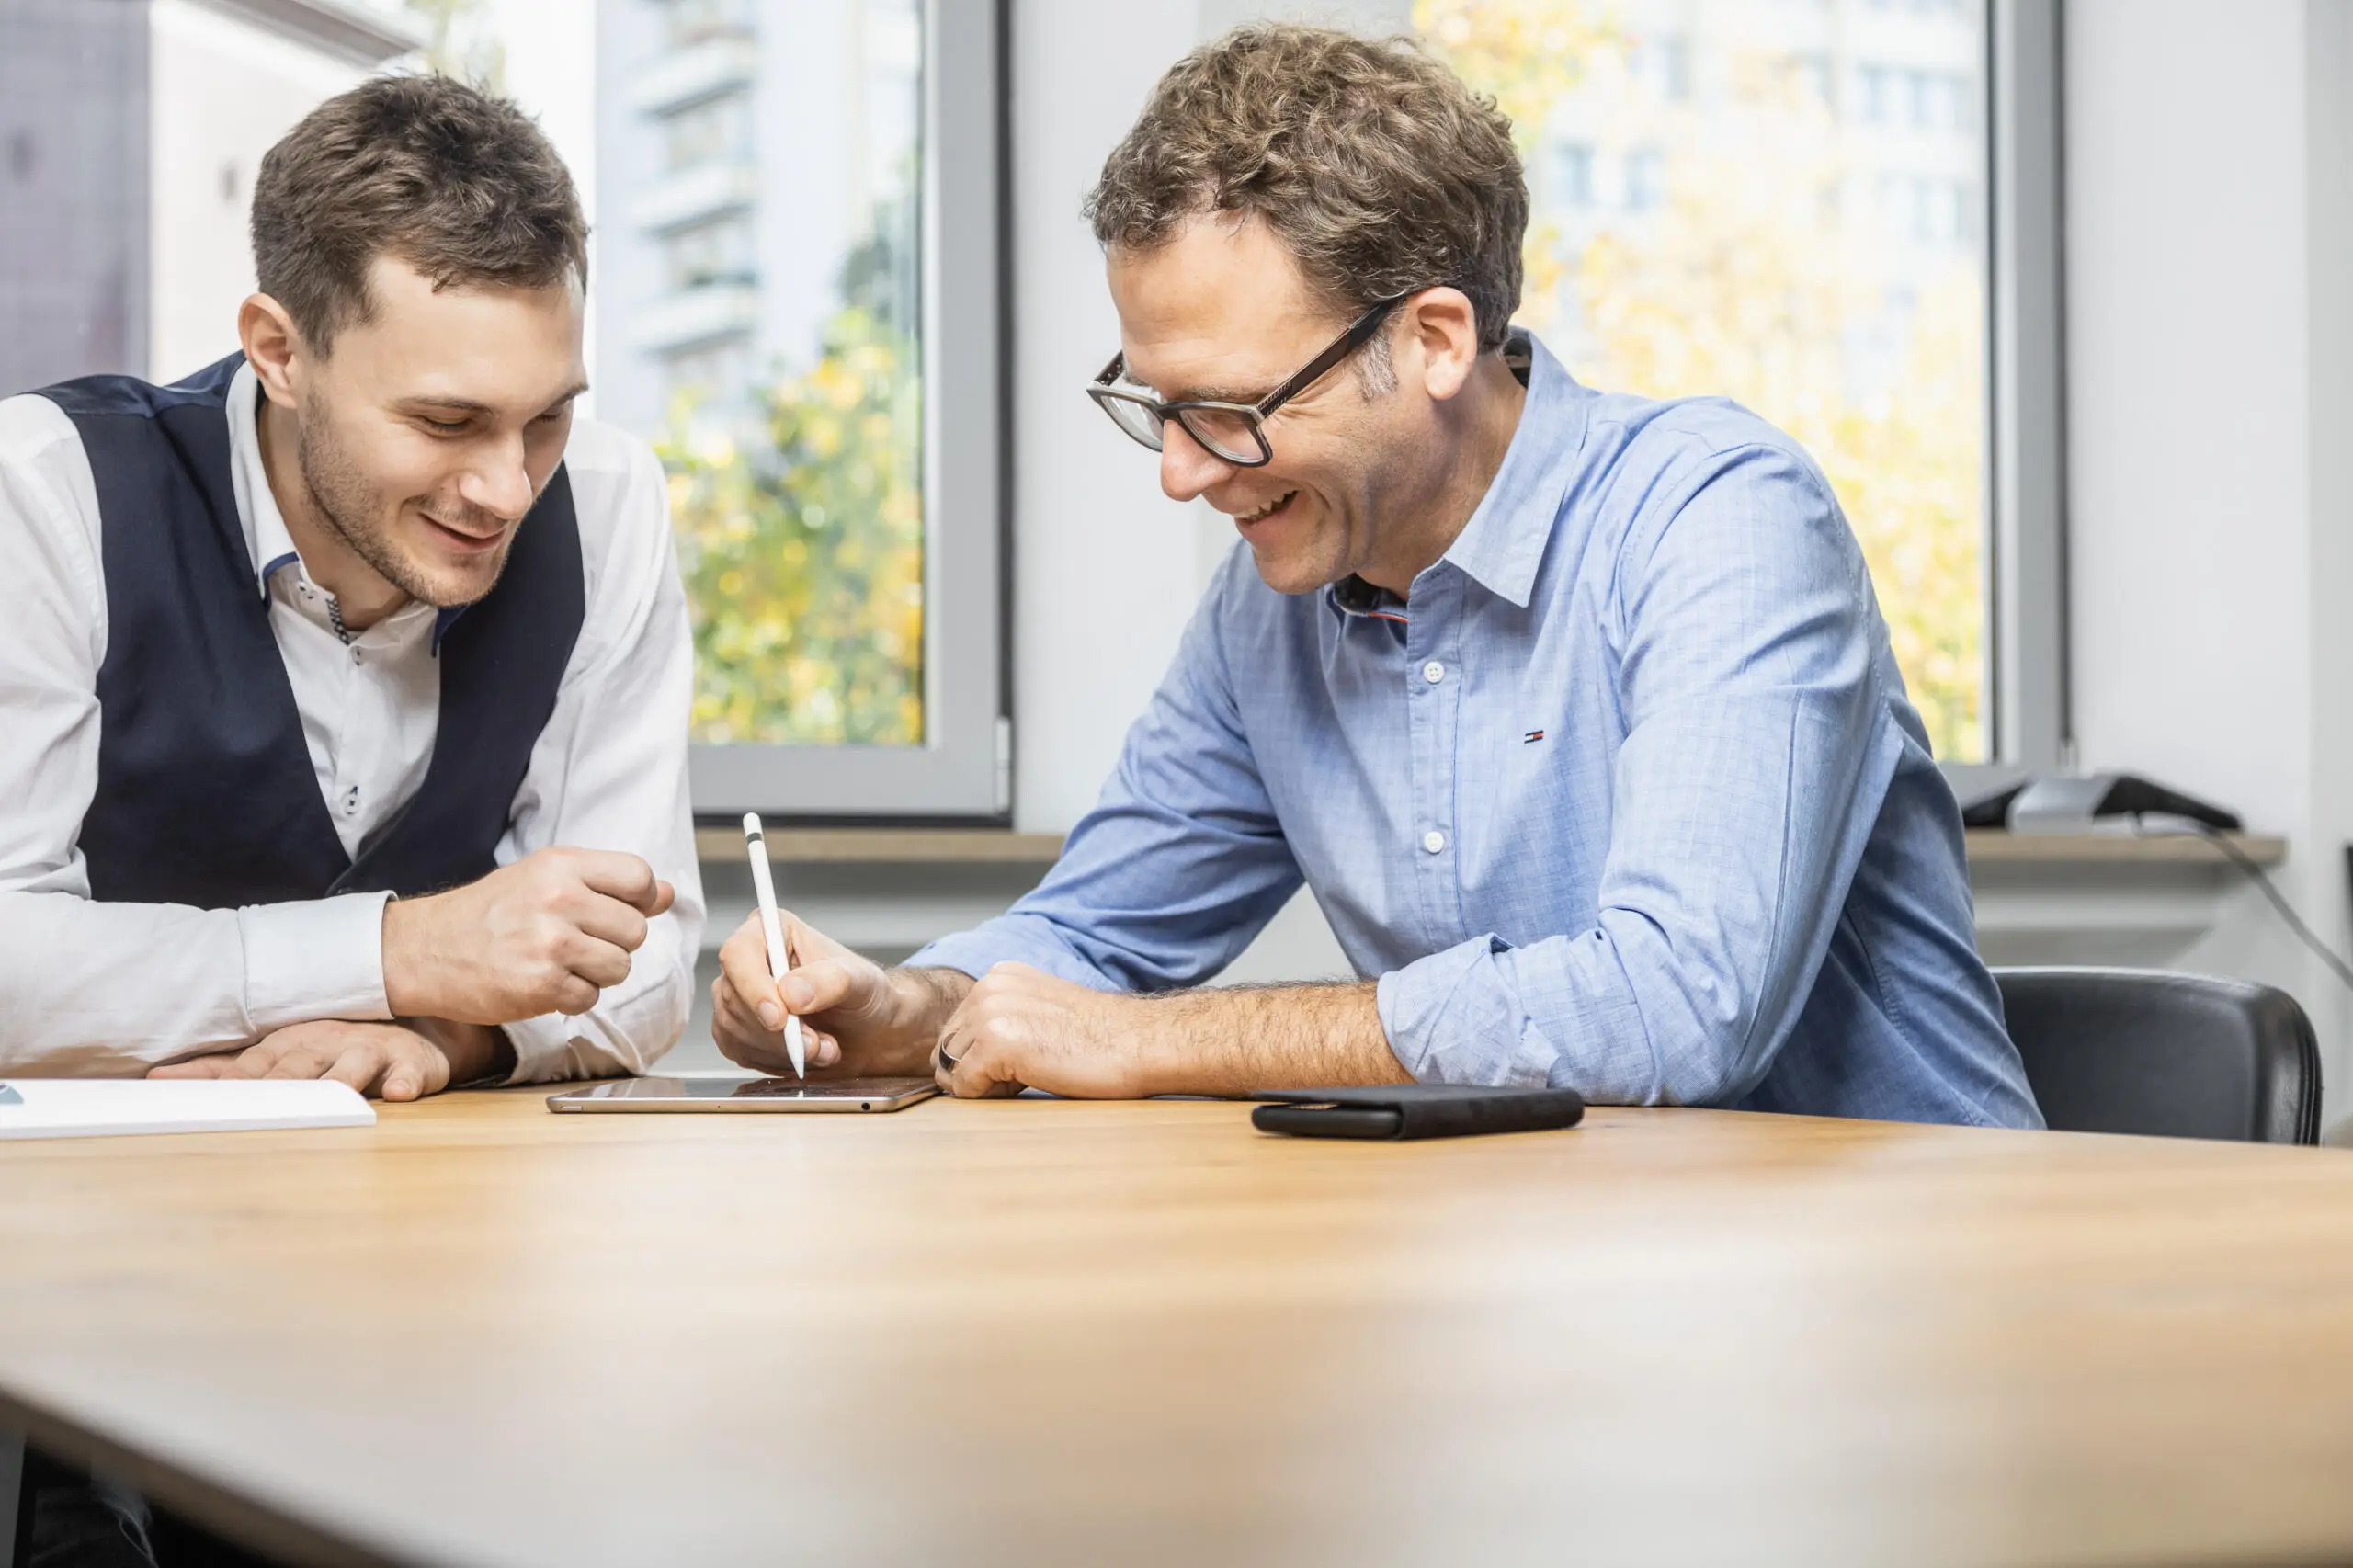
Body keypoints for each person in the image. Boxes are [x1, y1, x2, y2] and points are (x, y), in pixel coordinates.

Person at [715, 24, 2038, 1130]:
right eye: (1155, 405)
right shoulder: (1276, 607)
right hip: (1561, 1294)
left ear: (1435, 340)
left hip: (1910, 1290)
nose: (1182, 473)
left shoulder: (1719, 517)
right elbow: (1095, 940)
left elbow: (1677, 1007)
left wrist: (1156, 1042)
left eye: (1228, 410)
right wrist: (910, 1007)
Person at [0, 74, 702, 1102]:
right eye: (446, 423)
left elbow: (639, 958)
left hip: (439, 1203)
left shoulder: (605, 501)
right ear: (280, 352)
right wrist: (396, 951)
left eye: (546, 416)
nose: (509, 489)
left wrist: (445, 1035)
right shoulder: (46, 491)